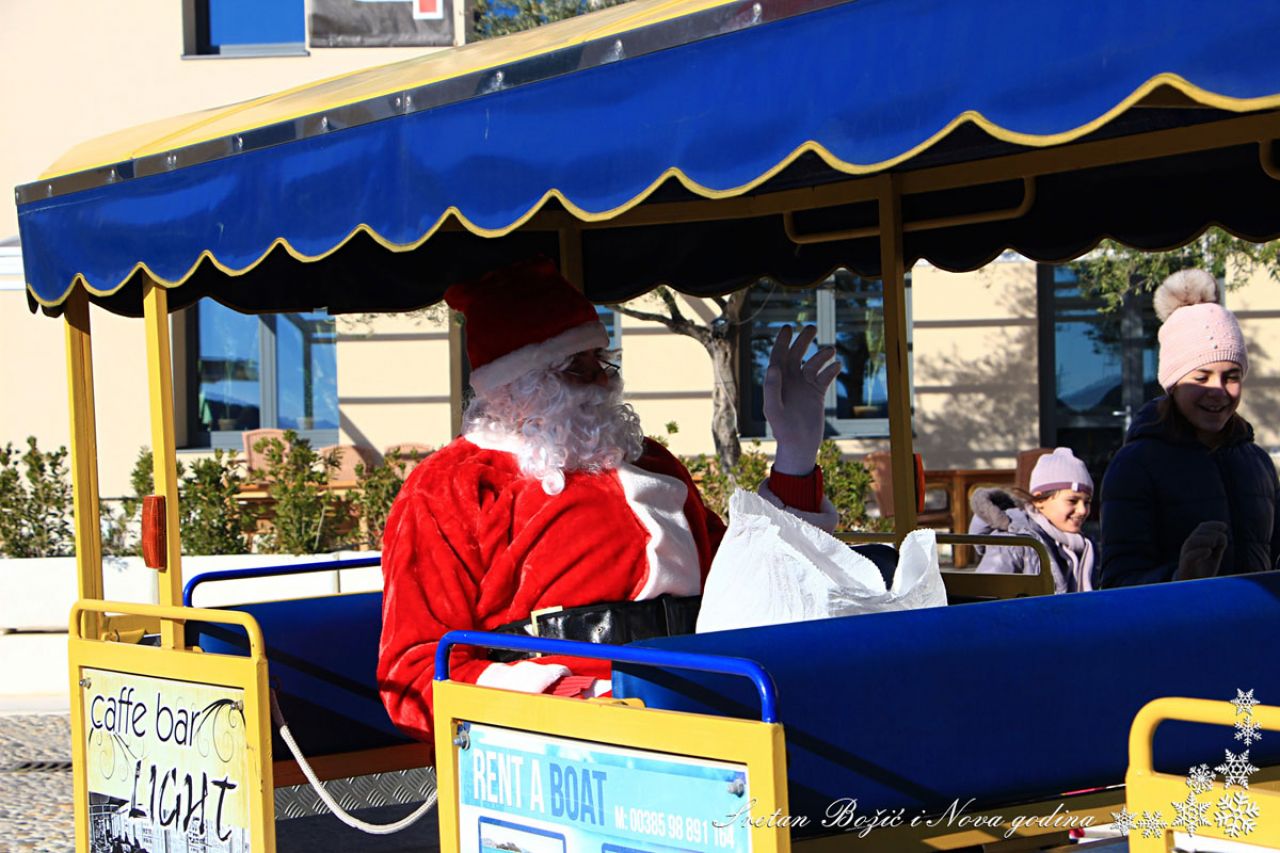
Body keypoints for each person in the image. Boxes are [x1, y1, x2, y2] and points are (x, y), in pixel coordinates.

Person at [377, 257, 840, 743]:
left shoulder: (651, 461)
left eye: (602, 361)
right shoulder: (450, 486)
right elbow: (412, 672)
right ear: (516, 387)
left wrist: (795, 460)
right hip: (562, 741)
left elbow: (748, 582)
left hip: (712, 698)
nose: (604, 381)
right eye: (578, 368)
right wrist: (542, 695)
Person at [1100, 269, 1280, 587]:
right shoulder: (1134, 466)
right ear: (1173, 383)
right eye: (1201, 376)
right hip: (1179, 635)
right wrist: (1181, 577)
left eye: (1232, 376)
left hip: (1255, 633)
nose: (1219, 390)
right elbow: (1117, 582)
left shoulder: (1258, 462)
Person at [967, 448, 1096, 593]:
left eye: (1087, 502)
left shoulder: (1082, 548)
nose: (1083, 510)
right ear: (1040, 500)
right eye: (1072, 500)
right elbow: (984, 597)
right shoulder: (1013, 543)